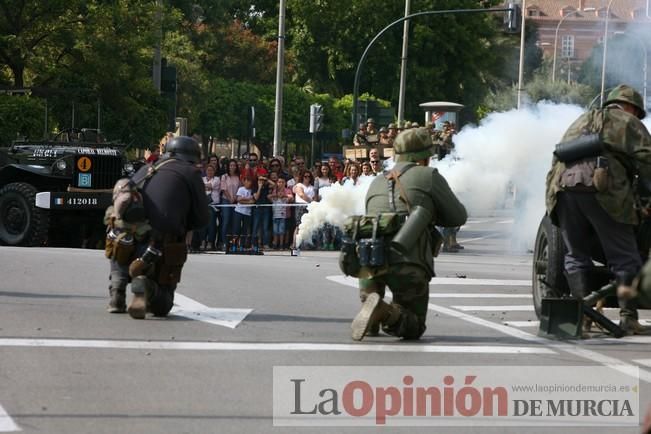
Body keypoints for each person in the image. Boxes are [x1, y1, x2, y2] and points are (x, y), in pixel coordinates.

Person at [545, 84, 651, 335]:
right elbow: (648, 160)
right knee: (625, 257)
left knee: (575, 255)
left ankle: (584, 317)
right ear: (630, 107)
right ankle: (628, 318)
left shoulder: (580, 121)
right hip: (605, 190)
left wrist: (553, 203)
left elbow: (556, 159)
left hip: (564, 189)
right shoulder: (628, 122)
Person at [350, 128, 467, 341]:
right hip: (407, 260)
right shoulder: (428, 175)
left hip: (368, 261)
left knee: (373, 289)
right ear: (424, 157)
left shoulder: (377, 180)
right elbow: (458, 217)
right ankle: (384, 312)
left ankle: (374, 308)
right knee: (413, 326)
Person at [105, 136, 209, 319]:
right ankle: (148, 287)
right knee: (163, 306)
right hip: (161, 242)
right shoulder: (190, 173)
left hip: (125, 236)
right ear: (192, 156)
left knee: (122, 240)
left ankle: (116, 292)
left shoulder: (148, 168)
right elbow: (201, 218)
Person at [219, 159, 241, 251]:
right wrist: (230, 198)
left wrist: (235, 198)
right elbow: (223, 189)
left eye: (234, 165)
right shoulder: (224, 176)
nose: (232, 167)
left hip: (236, 201)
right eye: (230, 165)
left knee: (235, 223)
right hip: (226, 201)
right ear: (228, 167)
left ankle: (234, 243)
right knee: (226, 221)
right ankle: (224, 242)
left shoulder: (238, 177)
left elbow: (240, 188)